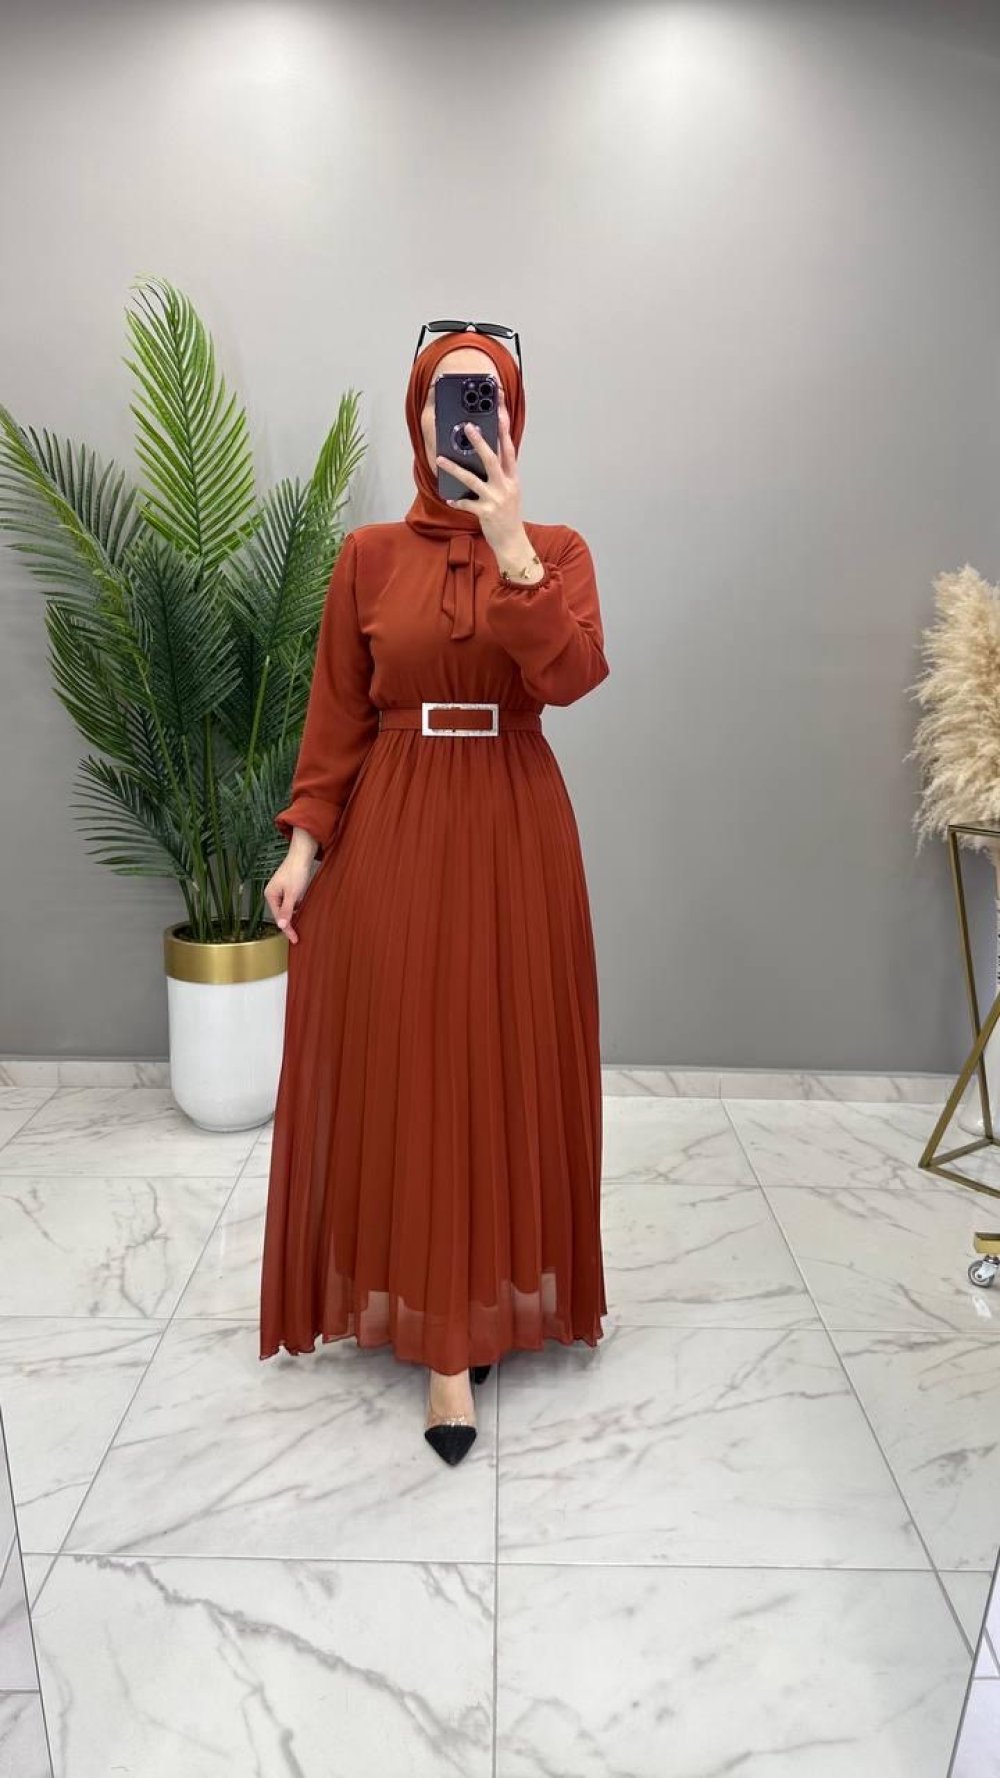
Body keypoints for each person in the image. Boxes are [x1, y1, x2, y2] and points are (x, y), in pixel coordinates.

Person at [259, 322, 610, 1466]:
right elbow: (337, 711)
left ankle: (487, 1291)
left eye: (483, 397)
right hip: (398, 822)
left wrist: (509, 547)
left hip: (514, 819)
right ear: (416, 418)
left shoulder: (556, 547)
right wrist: (303, 846)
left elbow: (570, 675)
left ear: (511, 417)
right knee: (413, 1063)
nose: (461, 417)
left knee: (501, 1055)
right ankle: (444, 1343)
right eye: (442, 398)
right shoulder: (366, 555)